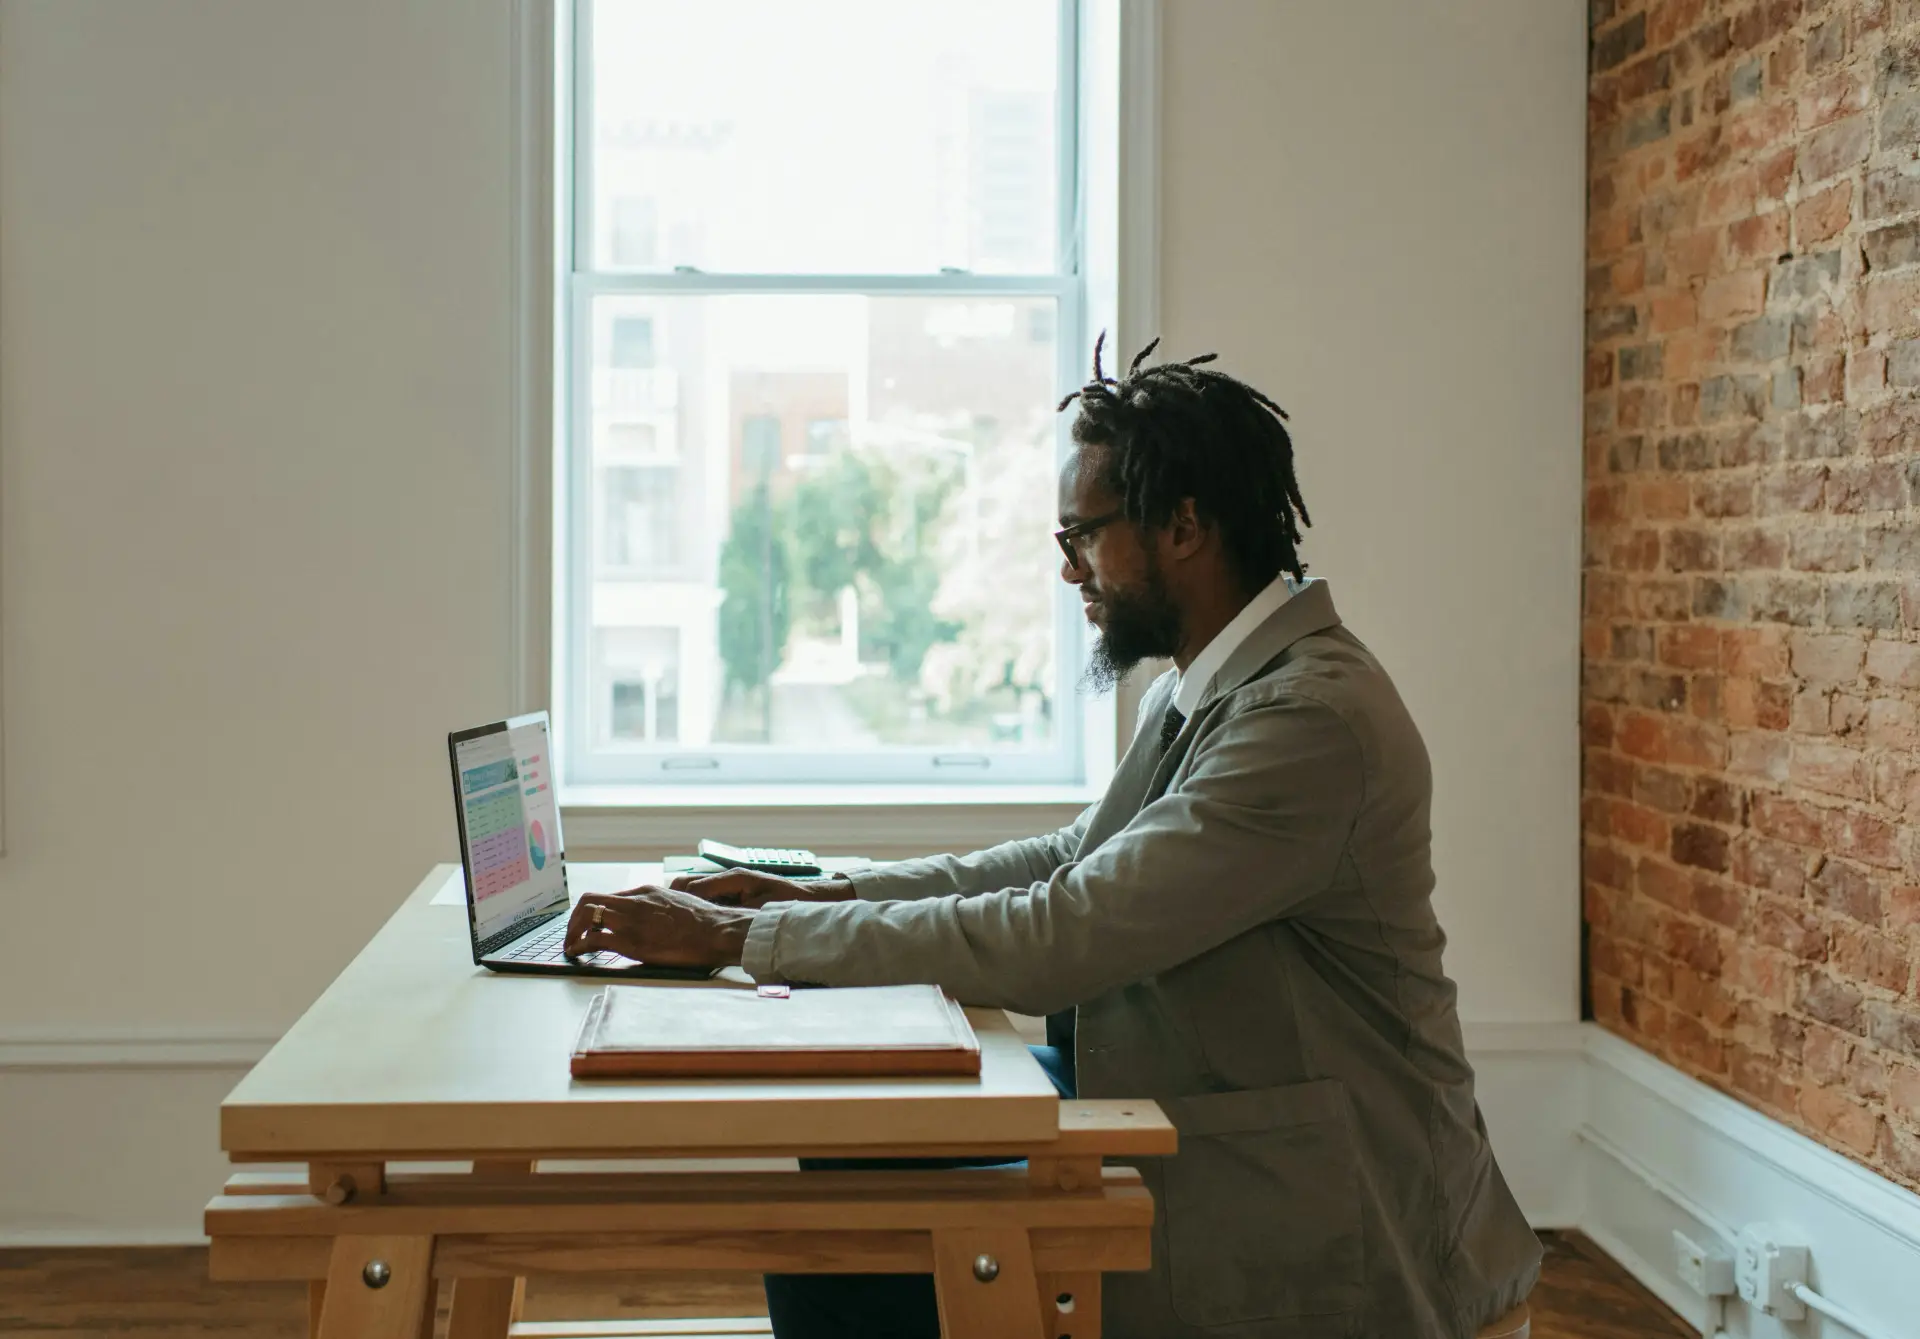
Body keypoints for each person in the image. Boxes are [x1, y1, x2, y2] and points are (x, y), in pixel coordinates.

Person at [565, 336, 1542, 1338]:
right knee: (845, 1170)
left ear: (1186, 527)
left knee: (848, 1227)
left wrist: (737, 942)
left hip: (1339, 1210)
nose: (1068, 566)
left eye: (1083, 533)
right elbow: (1068, 860)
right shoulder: (1206, 688)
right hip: (1200, 1114)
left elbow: (1063, 931)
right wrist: (819, 899)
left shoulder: (1309, 723)